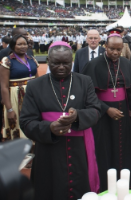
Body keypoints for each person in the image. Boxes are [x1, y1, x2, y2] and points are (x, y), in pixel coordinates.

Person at [19, 41, 101, 200]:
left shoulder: (84, 81)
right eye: (56, 63)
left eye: (66, 63)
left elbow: (95, 110)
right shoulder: (35, 86)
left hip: (79, 149)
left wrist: (77, 115)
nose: (61, 67)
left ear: (72, 61)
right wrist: (49, 128)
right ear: (48, 62)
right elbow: (26, 121)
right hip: (49, 150)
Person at [82, 34, 131, 191]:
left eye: (119, 49)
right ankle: (105, 185)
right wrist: (106, 109)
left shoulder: (127, 63)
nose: (115, 52)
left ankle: (124, 182)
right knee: (104, 147)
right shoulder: (93, 64)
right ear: (105, 47)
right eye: (112, 49)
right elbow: (89, 94)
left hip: (122, 110)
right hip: (101, 114)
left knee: (123, 146)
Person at [0, 35, 39, 140]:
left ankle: (33, 151)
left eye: (25, 44)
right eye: (19, 44)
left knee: (33, 123)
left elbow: (38, 81)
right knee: (16, 125)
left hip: (32, 97)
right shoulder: (7, 61)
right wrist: (9, 109)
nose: (23, 46)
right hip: (15, 99)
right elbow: (4, 87)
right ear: (13, 46)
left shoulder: (32, 59)